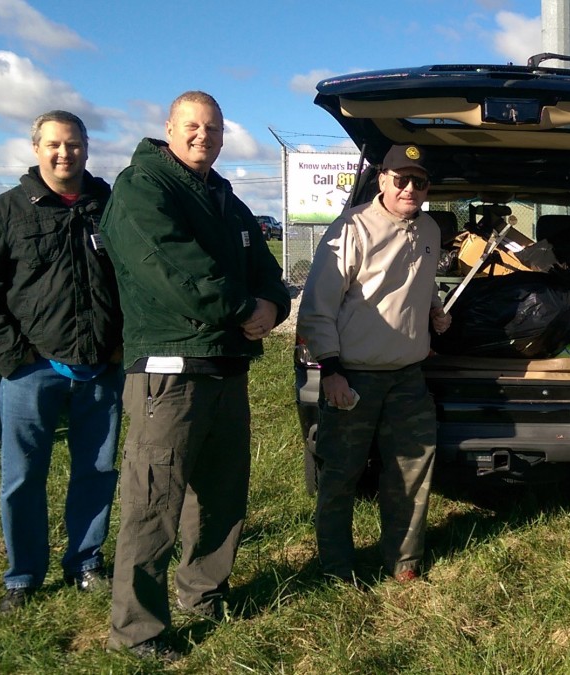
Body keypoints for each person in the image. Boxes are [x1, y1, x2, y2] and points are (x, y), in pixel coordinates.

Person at [100, 91, 290, 661]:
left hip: (226, 366)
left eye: (212, 128)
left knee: (221, 493)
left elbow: (266, 268)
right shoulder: (144, 188)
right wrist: (242, 309)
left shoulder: (224, 198)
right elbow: (174, 266)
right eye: (191, 126)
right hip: (170, 369)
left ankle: (204, 593)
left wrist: (273, 306)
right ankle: (137, 629)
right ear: (168, 128)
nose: (202, 136)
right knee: (154, 500)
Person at [0, 110, 123, 613]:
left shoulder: (110, 206)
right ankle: (24, 574)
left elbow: (134, 281)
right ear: (36, 149)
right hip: (32, 373)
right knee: (22, 478)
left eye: (73, 144)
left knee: (97, 470)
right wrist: (16, 360)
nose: (64, 153)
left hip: (101, 368)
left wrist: (120, 344)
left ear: (87, 148)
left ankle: (86, 562)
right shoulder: (6, 212)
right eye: (53, 144)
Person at [298, 144, 451, 585]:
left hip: (408, 376)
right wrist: (330, 370)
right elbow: (316, 306)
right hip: (353, 375)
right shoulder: (353, 227)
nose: (409, 188)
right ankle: (336, 566)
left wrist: (434, 310)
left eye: (418, 182)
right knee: (341, 476)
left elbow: (418, 282)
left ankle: (404, 561)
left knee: (412, 473)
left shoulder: (429, 229)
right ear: (382, 179)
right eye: (400, 179)